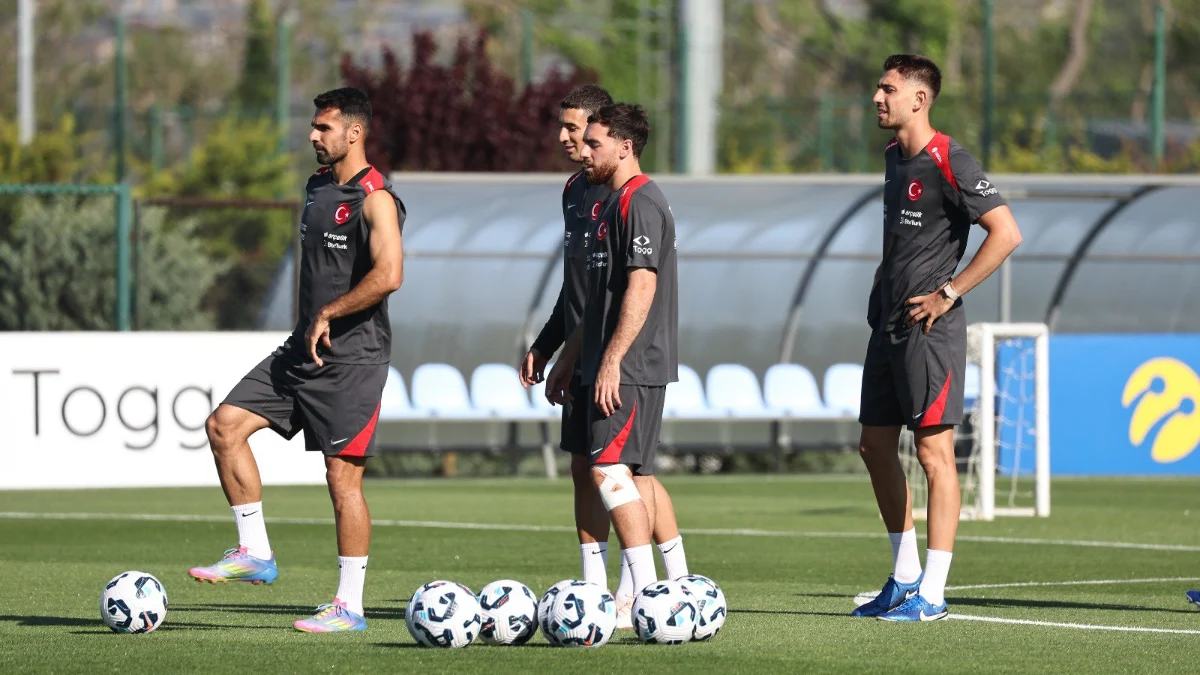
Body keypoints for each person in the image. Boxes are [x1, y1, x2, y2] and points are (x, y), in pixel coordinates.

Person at [187, 87, 406, 633]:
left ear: (354, 132)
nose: (312, 135)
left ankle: (349, 607)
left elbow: (389, 275)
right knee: (223, 426)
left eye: (323, 127)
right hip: (300, 350)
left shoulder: (377, 198)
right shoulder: (315, 188)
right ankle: (254, 552)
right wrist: (314, 320)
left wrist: (331, 312)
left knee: (341, 480)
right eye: (313, 125)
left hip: (354, 360)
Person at [851, 55, 1022, 622]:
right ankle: (904, 577)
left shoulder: (951, 158)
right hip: (889, 325)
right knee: (874, 446)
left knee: (933, 452)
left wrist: (948, 292)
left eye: (888, 89)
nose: (877, 98)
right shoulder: (892, 157)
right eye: (878, 87)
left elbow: (1006, 233)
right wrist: (882, 284)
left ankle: (934, 593)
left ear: (919, 99)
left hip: (931, 328)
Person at [521, 86, 688, 628]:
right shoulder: (594, 196)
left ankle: (650, 594)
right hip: (595, 357)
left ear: (621, 143)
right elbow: (589, 296)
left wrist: (612, 358)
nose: (573, 143)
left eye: (587, 136)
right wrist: (562, 350)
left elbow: (641, 285)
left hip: (629, 363)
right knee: (606, 470)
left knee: (616, 471)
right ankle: (627, 590)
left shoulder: (638, 200)